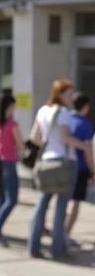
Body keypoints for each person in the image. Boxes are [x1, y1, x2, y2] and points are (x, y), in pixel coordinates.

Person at [27, 79, 90, 258]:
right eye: (68, 93)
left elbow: (34, 137)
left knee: (42, 204)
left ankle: (33, 245)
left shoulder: (42, 110)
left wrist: (49, 147)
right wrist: (84, 147)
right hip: (64, 163)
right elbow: (65, 138)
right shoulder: (62, 112)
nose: (71, 97)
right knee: (61, 207)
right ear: (60, 94)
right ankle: (58, 249)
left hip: (46, 161)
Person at [0, 95, 25, 245]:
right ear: (9, 106)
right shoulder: (12, 124)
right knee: (12, 199)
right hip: (9, 163)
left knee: (1, 198)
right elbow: (21, 145)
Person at [65, 92, 94, 243]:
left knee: (63, 200)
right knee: (75, 201)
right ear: (86, 107)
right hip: (80, 167)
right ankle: (66, 233)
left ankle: (59, 230)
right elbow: (88, 150)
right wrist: (92, 169)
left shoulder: (65, 120)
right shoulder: (86, 125)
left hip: (63, 166)